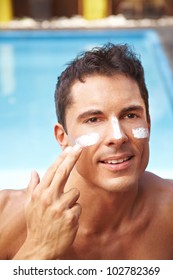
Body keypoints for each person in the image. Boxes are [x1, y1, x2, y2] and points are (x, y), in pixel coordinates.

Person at [0, 43, 173, 260]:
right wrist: (37, 248)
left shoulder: (169, 211)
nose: (118, 137)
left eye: (130, 115)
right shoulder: (5, 216)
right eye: (93, 119)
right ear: (62, 137)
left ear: (148, 124)